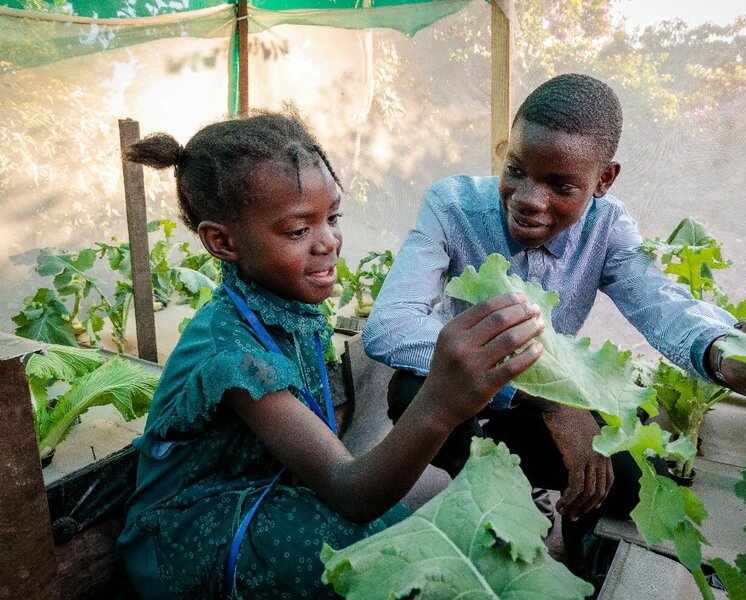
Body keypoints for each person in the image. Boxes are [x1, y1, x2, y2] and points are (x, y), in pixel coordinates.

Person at [363, 73, 746, 572]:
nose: (528, 199)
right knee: (412, 391)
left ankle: (573, 521)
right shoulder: (451, 205)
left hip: (550, 401)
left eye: (561, 185)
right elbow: (389, 326)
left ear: (604, 180)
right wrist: (548, 395)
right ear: (505, 151)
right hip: (481, 401)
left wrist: (734, 358)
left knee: (632, 483)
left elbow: (666, 307)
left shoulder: (608, 229)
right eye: (517, 170)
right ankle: (491, 491)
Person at [116, 111, 546, 599]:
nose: (328, 242)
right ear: (223, 242)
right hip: (188, 534)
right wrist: (442, 403)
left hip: (264, 493)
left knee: (405, 537)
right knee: (378, 560)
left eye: (333, 217)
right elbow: (351, 491)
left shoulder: (284, 307)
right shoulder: (230, 352)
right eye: (298, 231)